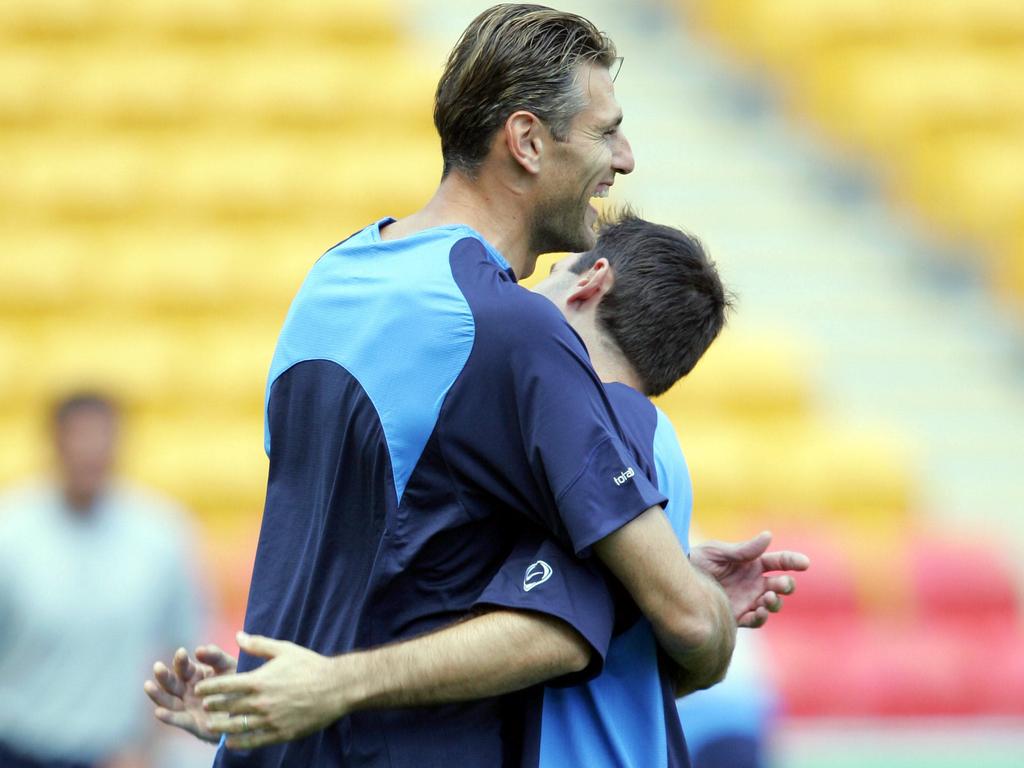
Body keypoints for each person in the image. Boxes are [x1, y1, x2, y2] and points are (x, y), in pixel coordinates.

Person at [148, 6, 741, 766]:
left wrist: (268, 690)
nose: (624, 159)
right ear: (526, 142)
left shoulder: (331, 277)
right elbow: (688, 623)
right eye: (604, 132)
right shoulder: (510, 330)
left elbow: (378, 545)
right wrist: (710, 607)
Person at [147, 214, 808, 766]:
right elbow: (648, 652)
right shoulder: (642, 447)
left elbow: (551, 635)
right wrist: (263, 707)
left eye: (548, 275)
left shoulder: (607, 425)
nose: (523, 296)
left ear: (590, 282)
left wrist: (326, 689)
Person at [0, 393, 203, 768]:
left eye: (102, 437)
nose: (90, 450)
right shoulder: (9, 532)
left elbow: (182, 651)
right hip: (15, 746)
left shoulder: (162, 533)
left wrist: (148, 745)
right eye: (79, 436)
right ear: (54, 442)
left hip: (115, 753)